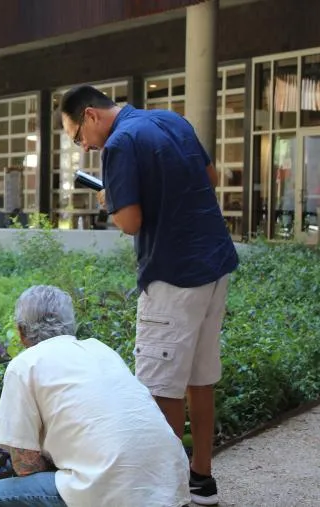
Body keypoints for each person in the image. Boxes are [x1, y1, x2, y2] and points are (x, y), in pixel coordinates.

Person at [59, 85, 239, 505]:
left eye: (77, 137)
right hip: (214, 264)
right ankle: (201, 479)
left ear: (90, 115)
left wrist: (110, 198)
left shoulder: (119, 144)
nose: (83, 147)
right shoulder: (171, 120)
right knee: (200, 377)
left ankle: (168, 491)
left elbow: (130, 222)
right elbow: (208, 178)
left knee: (161, 387)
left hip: (172, 274)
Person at [0, 285, 191, 507]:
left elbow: (25, 466)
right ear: (70, 324)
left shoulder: (25, 364)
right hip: (170, 482)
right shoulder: (101, 350)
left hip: (112, 491)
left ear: (21, 331)